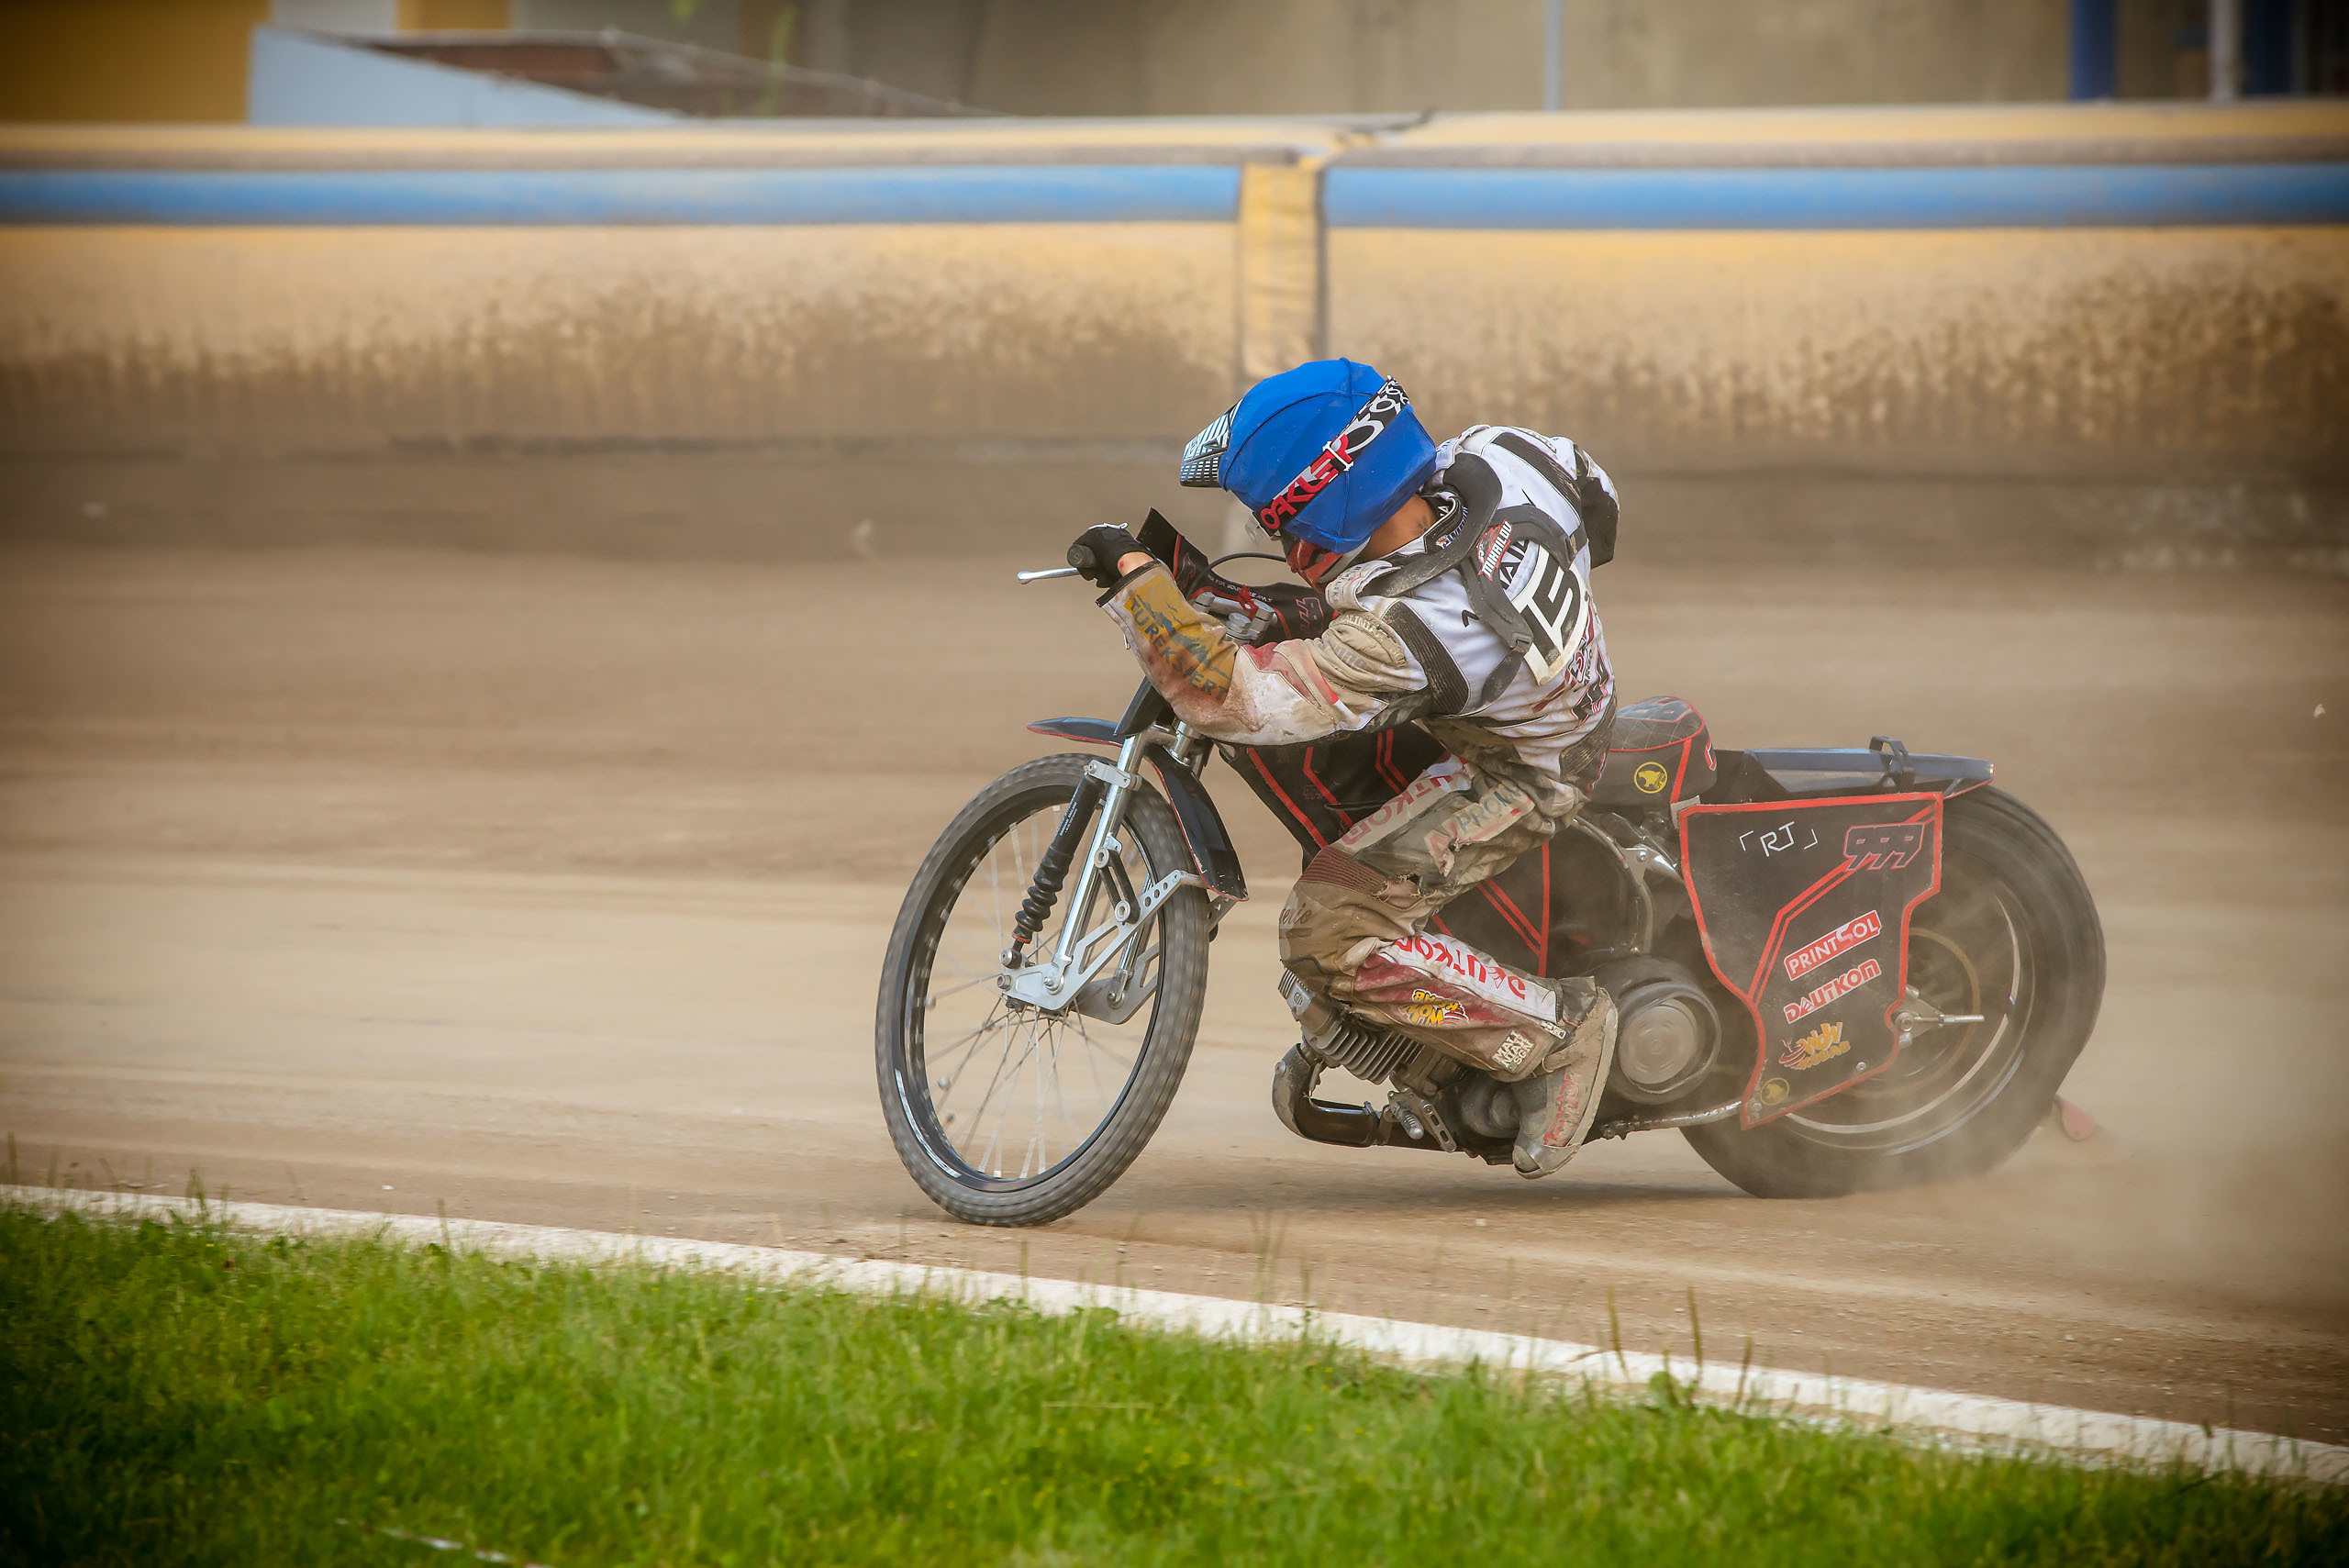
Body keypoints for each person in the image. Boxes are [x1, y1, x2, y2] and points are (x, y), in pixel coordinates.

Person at [1066, 358, 1624, 1177]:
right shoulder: (1506, 454)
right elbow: (1597, 498)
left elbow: (1228, 696)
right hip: (1552, 684)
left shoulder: (1406, 635)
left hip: (1522, 770)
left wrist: (1137, 583)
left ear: (1318, 512)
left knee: (1325, 928)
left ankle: (1557, 1031)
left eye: (1273, 523)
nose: (1274, 543)